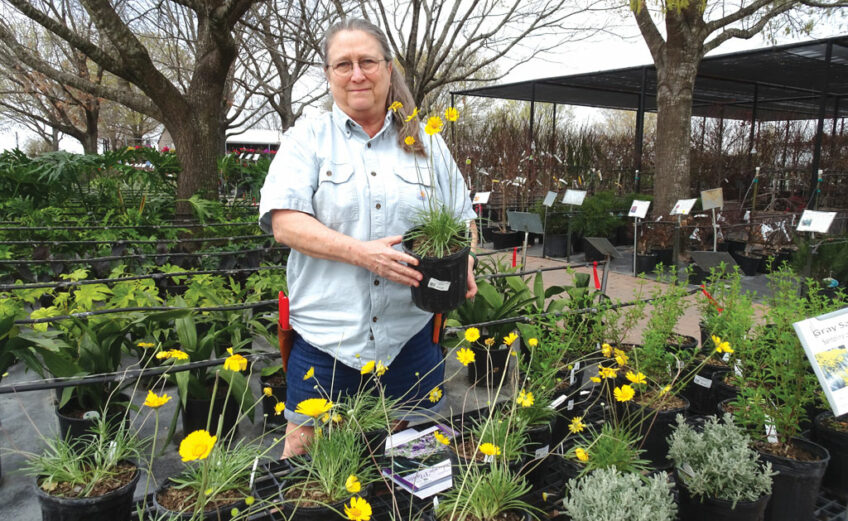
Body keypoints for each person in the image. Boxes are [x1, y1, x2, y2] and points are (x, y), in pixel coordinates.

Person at [258, 18, 478, 457]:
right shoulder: (306, 139)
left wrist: (464, 257)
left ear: (389, 68)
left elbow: (461, 216)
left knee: (412, 465)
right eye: (343, 64)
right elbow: (284, 222)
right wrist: (362, 254)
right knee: (304, 464)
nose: (357, 74)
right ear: (328, 74)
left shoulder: (428, 142)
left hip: (409, 335)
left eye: (367, 62)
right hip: (327, 338)